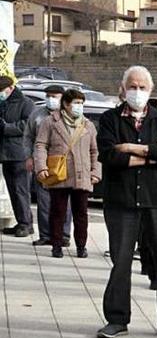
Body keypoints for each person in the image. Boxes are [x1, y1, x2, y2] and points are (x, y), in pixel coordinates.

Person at [96, 65, 157, 338]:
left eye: (142, 87)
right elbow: (109, 155)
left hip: (156, 199)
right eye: (132, 87)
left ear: (151, 90)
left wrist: (131, 148)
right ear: (123, 89)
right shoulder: (110, 119)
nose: (137, 92)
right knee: (121, 261)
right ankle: (117, 318)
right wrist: (149, 154)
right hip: (121, 201)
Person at [33, 88, 100, 259]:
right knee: (57, 211)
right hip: (59, 172)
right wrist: (41, 167)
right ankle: (56, 245)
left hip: (82, 174)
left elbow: (94, 151)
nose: (79, 106)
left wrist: (95, 171)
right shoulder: (50, 122)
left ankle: (81, 246)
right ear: (66, 104)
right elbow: (41, 145)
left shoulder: (88, 124)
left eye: (81, 103)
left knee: (81, 213)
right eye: (76, 103)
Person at [25, 84, 71, 247]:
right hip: (42, 162)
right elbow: (28, 137)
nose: (51, 99)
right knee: (44, 202)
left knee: (63, 201)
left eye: (55, 96)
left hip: (63, 164)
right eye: (49, 96)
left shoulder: (69, 115)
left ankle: (64, 235)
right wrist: (29, 157)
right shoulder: (37, 115)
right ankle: (45, 234)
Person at [0, 76, 36, 237]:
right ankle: (22, 221)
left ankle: (26, 224)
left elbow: (27, 125)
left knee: (21, 190)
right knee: (13, 190)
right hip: (5, 153)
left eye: (1, 91)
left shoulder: (26, 103)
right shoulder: (3, 103)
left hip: (19, 154)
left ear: (10, 88)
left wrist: (6, 127)